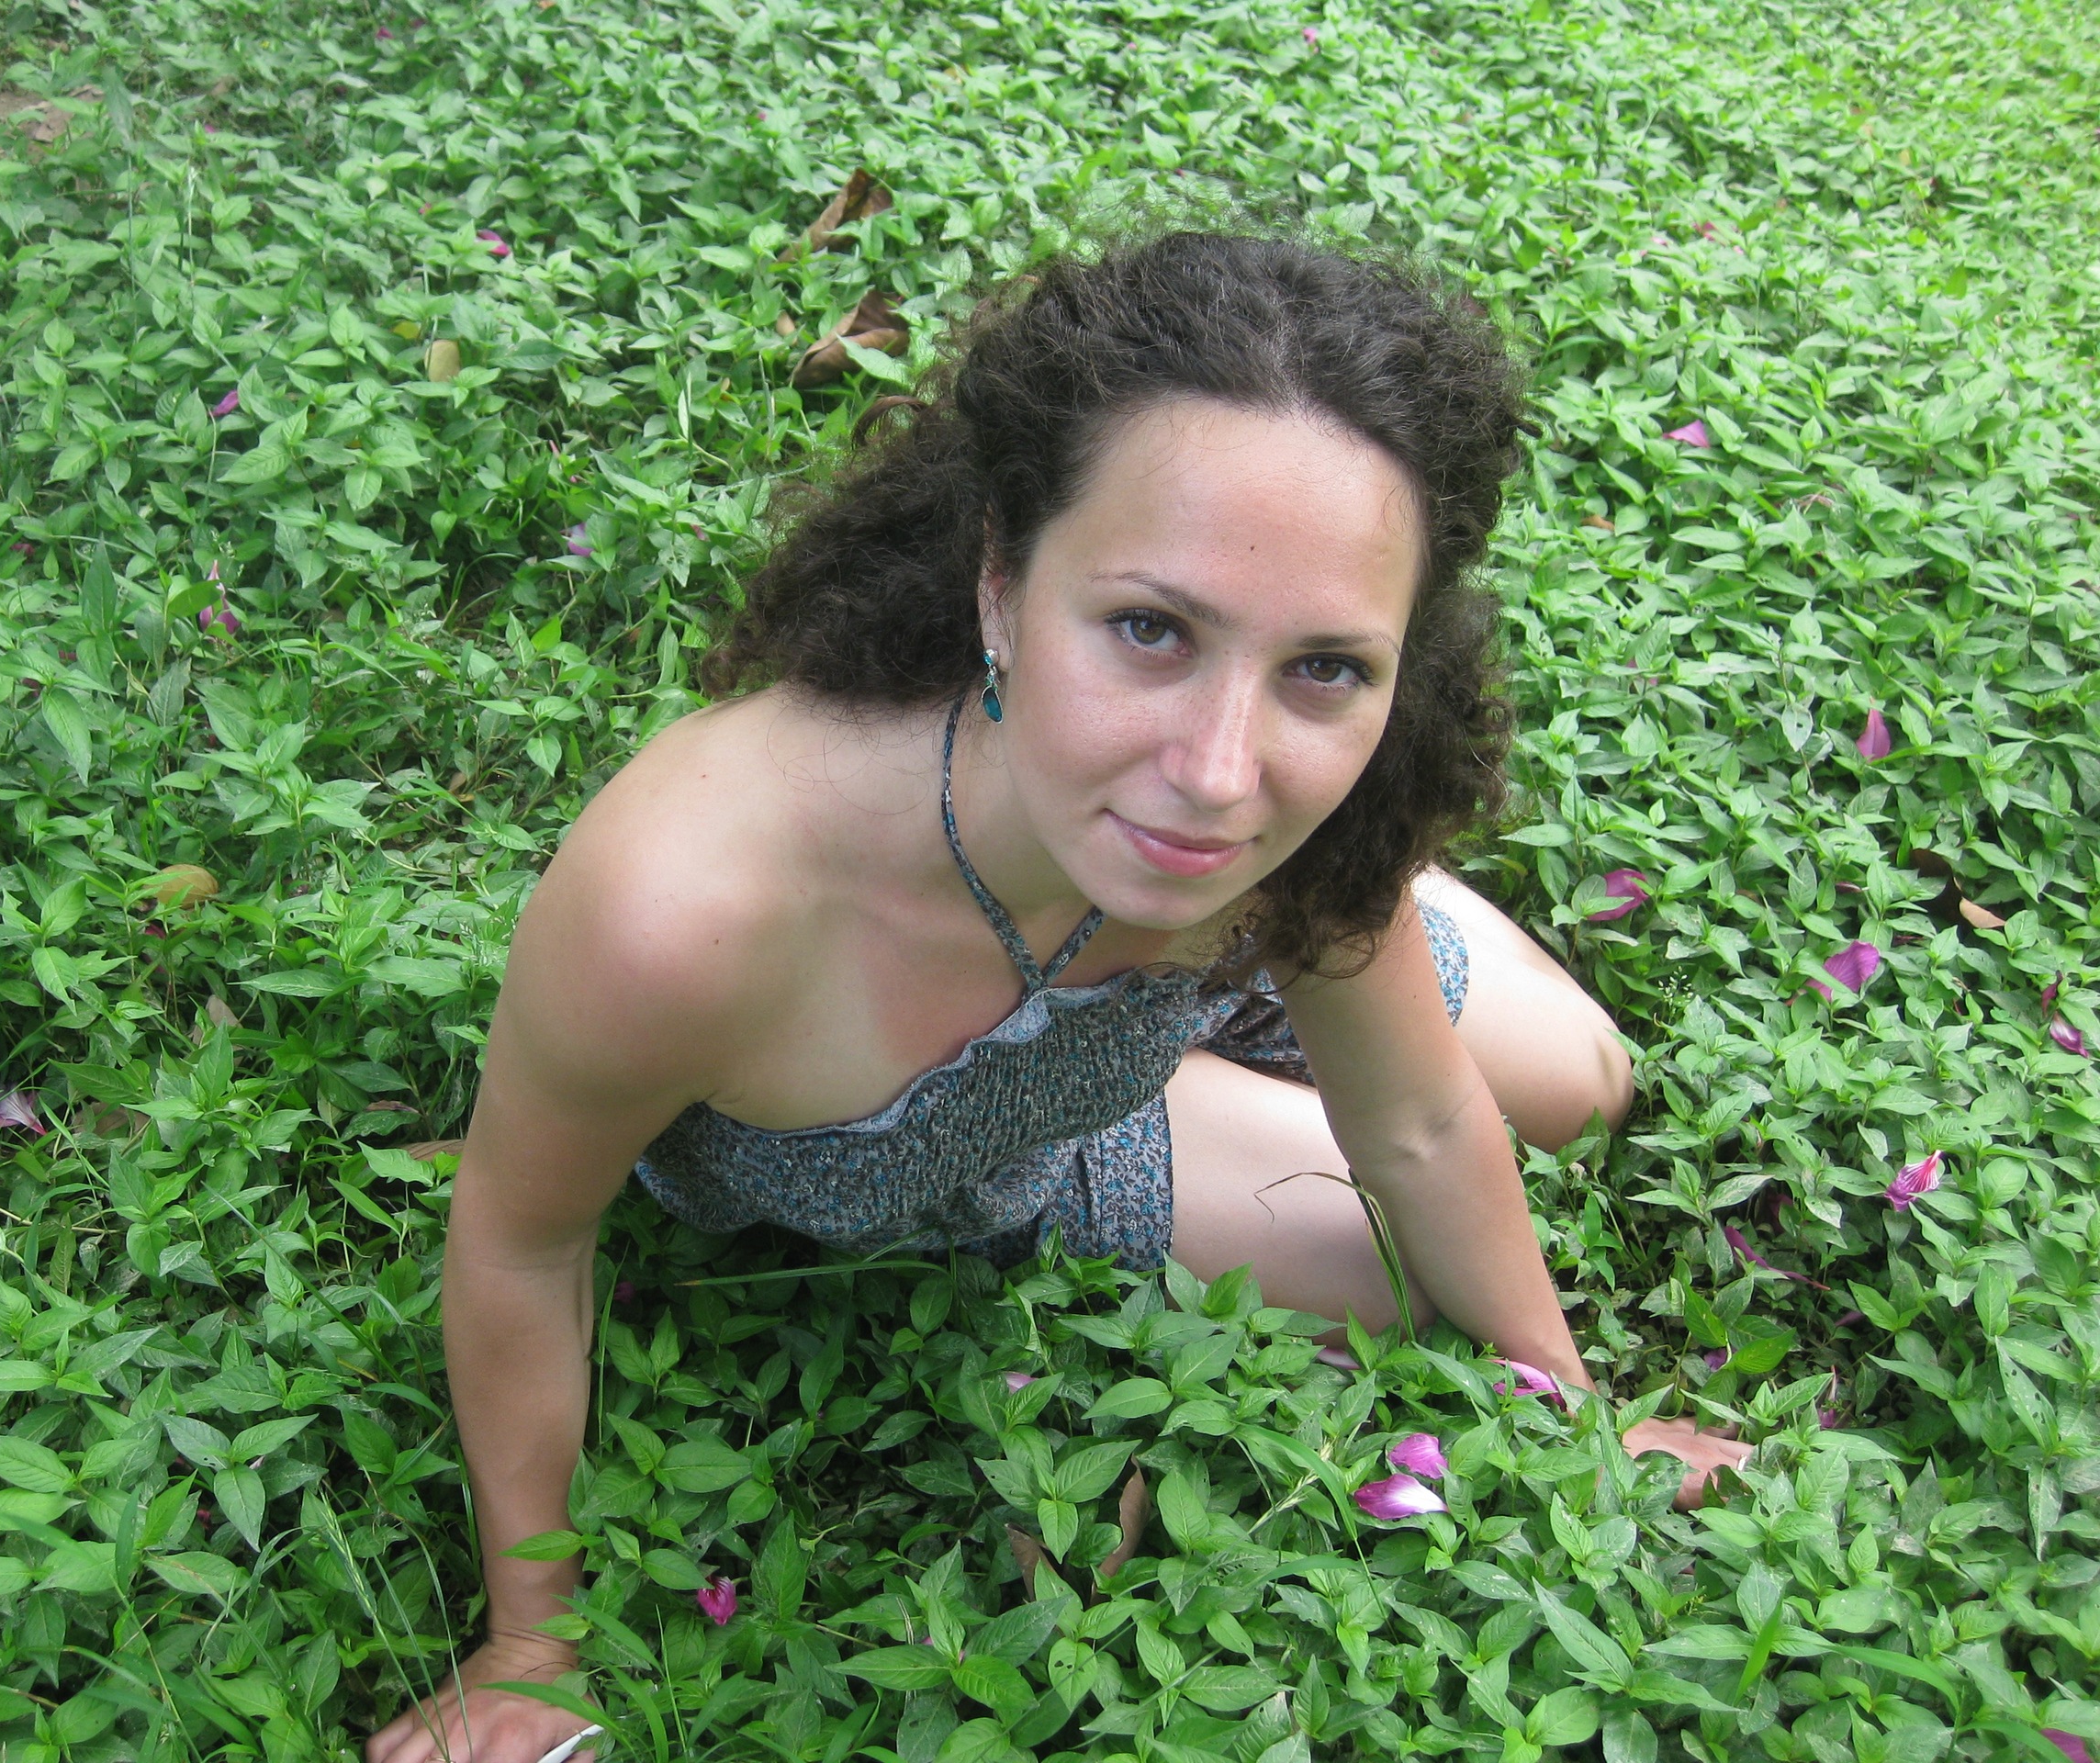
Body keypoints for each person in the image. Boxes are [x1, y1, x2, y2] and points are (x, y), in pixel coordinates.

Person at [368, 231, 1748, 1763]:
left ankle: (1313, 955)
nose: (1218, 773)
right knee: (1394, 1278)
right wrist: (530, 1644)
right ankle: (1227, 1027)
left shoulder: (1285, 809)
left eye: (1326, 668)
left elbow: (1422, 1121)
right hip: (1038, 1137)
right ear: (1002, 583)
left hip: (1193, 945)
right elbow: (521, 1237)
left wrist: (1583, 1422)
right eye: (1152, 630)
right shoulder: (688, 905)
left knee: (1585, 1089)